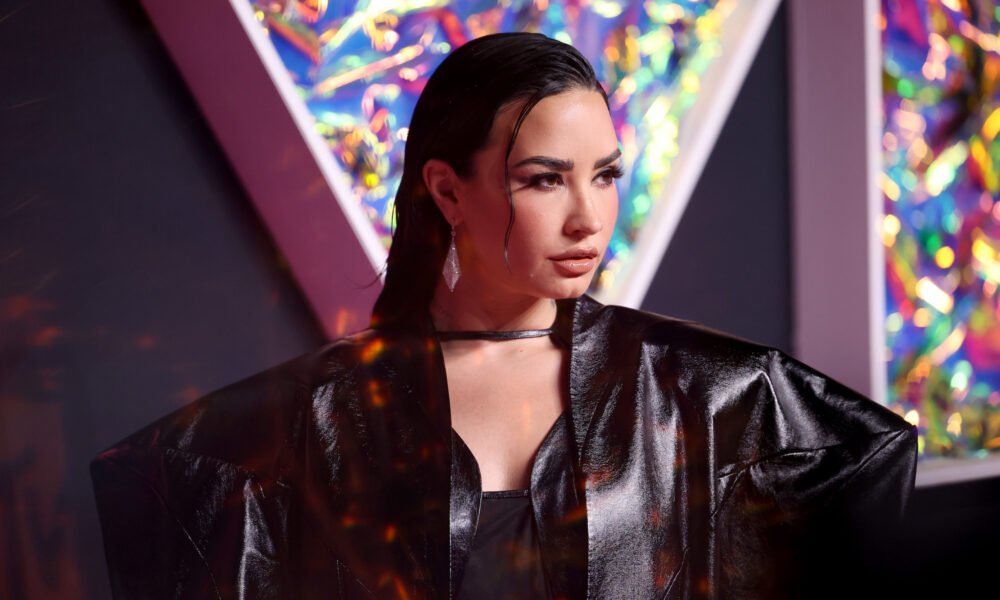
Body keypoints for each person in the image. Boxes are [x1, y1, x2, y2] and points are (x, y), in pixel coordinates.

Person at [91, 32, 917, 599]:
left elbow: (861, 467)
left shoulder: (708, 393)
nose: (589, 218)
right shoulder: (320, 413)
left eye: (605, 175)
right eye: (544, 179)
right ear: (447, 191)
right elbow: (178, 490)